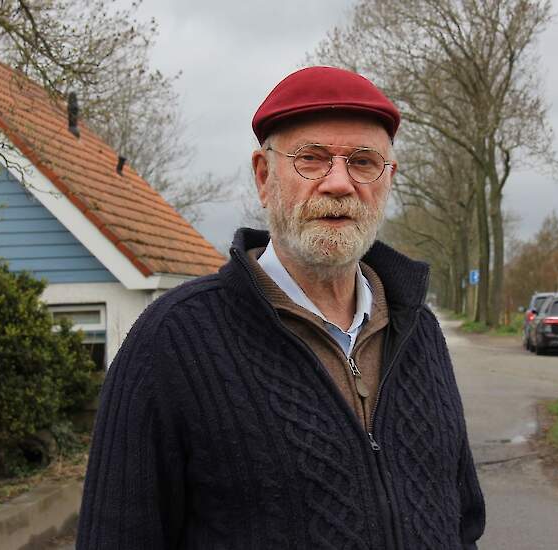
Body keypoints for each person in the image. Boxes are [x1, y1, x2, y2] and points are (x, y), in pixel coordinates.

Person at [77, 66, 485, 549]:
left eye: (363, 161)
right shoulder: (172, 342)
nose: (339, 183)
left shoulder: (419, 331)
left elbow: (463, 524)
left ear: (388, 179)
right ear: (264, 176)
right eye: (311, 159)